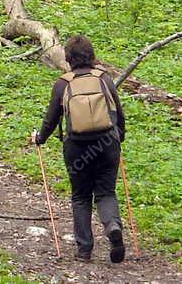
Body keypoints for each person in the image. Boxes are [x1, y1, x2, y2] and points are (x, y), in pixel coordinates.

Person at [32, 35, 127, 264]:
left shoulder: (63, 83)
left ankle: (84, 250)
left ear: (68, 58)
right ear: (91, 56)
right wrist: (119, 137)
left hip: (77, 147)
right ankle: (113, 227)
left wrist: (39, 139)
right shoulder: (103, 78)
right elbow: (118, 113)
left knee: (81, 196)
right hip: (107, 144)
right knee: (105, 192)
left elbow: (51, 119)